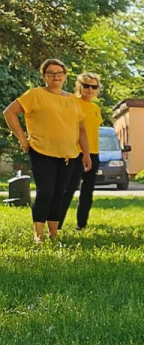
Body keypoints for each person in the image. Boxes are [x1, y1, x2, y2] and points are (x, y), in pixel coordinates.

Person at [3, 59, 90, 244]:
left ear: (65, 76)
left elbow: (81, 129)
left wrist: (87, 154)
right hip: (41, 151)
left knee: (59, 194)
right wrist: (23, 139)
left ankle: (54, 233)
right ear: (44, 76)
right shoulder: (35, 94)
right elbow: (9, 112)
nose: (55, 76)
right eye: (50, 73)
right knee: (46, 192)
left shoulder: (73, 100)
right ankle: (38, 234)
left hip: (68, 155)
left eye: (59, 73)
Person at [59, 71, 103, 230]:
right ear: (79, 86)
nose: (90, 89)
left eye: (94, 86)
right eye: (86, 85)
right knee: (68, 190)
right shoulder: (72, 102)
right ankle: (56, 226)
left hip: (94, 153)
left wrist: (90, 154)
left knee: (87, 192)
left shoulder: (96, 108)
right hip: (75, 153)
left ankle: (82, 225)